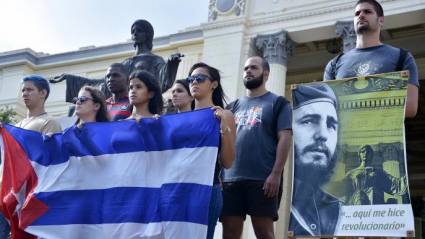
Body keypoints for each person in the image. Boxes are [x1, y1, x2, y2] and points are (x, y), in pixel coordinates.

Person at [221, 56, 292, 239]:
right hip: (230, 179)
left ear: (266, 74)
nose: (248, 71)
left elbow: (285, 138)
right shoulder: (232, 107)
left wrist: (276, 174)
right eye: (246, 69)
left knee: (264, 233)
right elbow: (223, 141)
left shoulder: (278, 103)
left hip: (263, 179)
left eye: (253, 68)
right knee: (229, 233)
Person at [324, 0, 419, 118]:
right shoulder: (334, 64)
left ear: (381, 20)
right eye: (357, 13)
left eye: (367, 12)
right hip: (346, 135)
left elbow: (410, 107)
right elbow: (327, 108)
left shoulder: (402, 57)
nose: (361, 15)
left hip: (384, 135)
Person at [51, 19, 183, 102]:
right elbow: (103, 83)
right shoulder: (125, 63)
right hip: (121, 103)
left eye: (139, 31)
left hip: (142, 103)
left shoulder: (155, 59)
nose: (135, 33)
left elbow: (163, 81)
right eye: (133, 31)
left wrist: (171, 64)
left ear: (147, 35)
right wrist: (71, 79)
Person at [0, 75, 62, 238]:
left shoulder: (49, 122)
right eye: (23, 90)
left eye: (29, 90)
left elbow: (51, 160)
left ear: (43, 93)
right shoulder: (15, 126)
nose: (25, 94)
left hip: (30, 193)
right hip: (7, 191)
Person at [187, 62, 236, 239]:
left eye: (199, 78)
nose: (194, 82)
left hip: (208, 189)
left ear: (213, 84)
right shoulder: (182, 117)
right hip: (181, 187)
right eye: (190, 79)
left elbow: (228, 162)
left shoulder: (224, 115)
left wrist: (224, 126)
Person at [289, 83, 341, 236]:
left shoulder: (341, 211)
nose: (323, 135)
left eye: (331, 124)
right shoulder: (269, 199)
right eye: (309, 121)